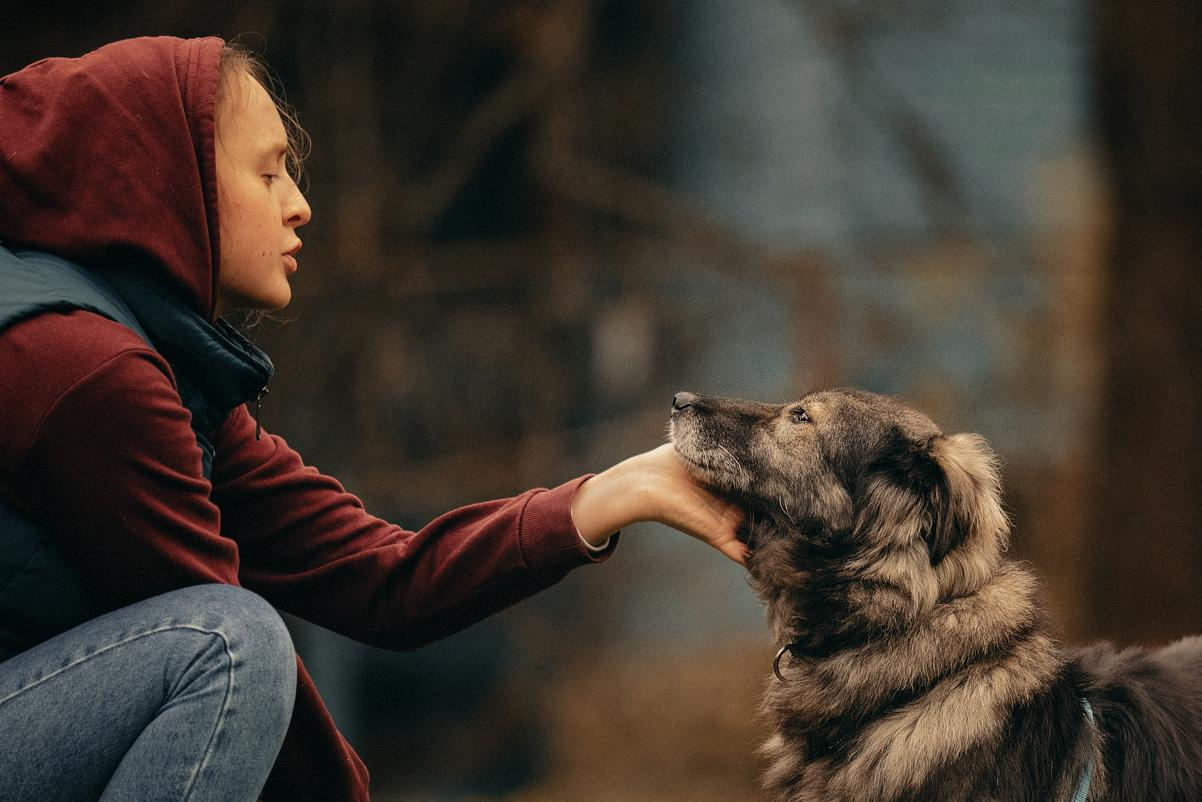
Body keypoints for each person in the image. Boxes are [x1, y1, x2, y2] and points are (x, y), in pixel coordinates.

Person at [0, 36, 745, 801]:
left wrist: (620, 492)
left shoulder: (159, 364)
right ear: (165, 184)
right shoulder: (88, 374)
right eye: (266, 173)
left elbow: (382, 581)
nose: (299, 204)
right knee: (228, 647)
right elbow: (237, 667)